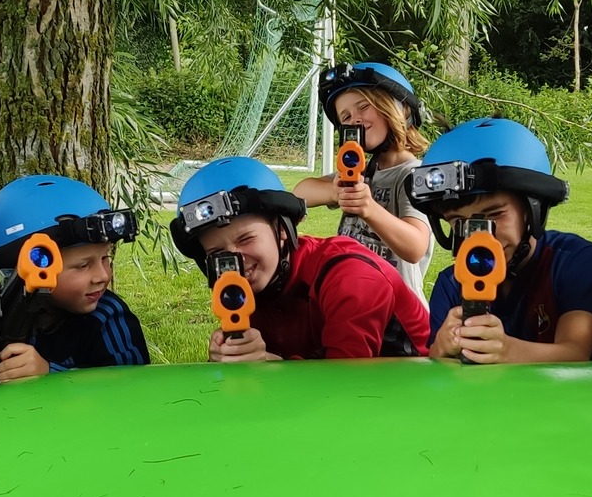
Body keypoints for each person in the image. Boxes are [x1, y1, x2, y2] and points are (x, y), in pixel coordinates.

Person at [172, 155, 430, 361]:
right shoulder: (249, 285)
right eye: (217, 253)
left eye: (246, 239)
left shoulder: (349, 277)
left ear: (282, 231)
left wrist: (271, 365)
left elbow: (346, 389)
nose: (235, 261)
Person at [407, 118, 592, 363]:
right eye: (458, 222)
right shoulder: (452, 284)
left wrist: (506, 351)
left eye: (494, 215)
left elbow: (576, 353)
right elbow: (439, 374)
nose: (480, 236)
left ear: (531, 210)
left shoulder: (574, 262)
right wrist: (441, 349)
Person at [0, 174, 152, 381]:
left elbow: (130, 387)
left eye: (105, 257)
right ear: (31, 262)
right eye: (83, 265)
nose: (103, 276)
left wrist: (49, 373)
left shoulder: (107, 315)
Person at [293, 61, 434, 296]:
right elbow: (299, 193)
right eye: (345, 116)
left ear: (400, 109)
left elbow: (415, 246)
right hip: (354, 299)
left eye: (364, 106)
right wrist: (334, 192)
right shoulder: (360, 171)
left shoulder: (413, 174)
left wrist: (369, 208)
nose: (355, 119)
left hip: (397, 315)